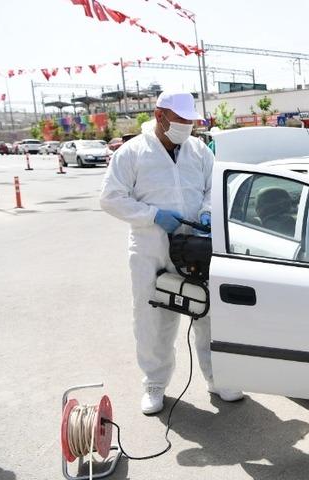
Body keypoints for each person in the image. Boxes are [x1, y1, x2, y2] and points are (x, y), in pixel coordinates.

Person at [100, 92, 244, 415]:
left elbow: (212, 187)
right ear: (160, 115)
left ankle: (217, 378)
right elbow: (110, 198)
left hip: (194, 243)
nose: (186, 127)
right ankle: (154, 383)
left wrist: (207, 211)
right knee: (153, 317)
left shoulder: (199, 151)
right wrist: (152, 215)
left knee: (208, 312)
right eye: (180, 121)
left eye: (189, 121)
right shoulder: (132, 153)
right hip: (150, 246)